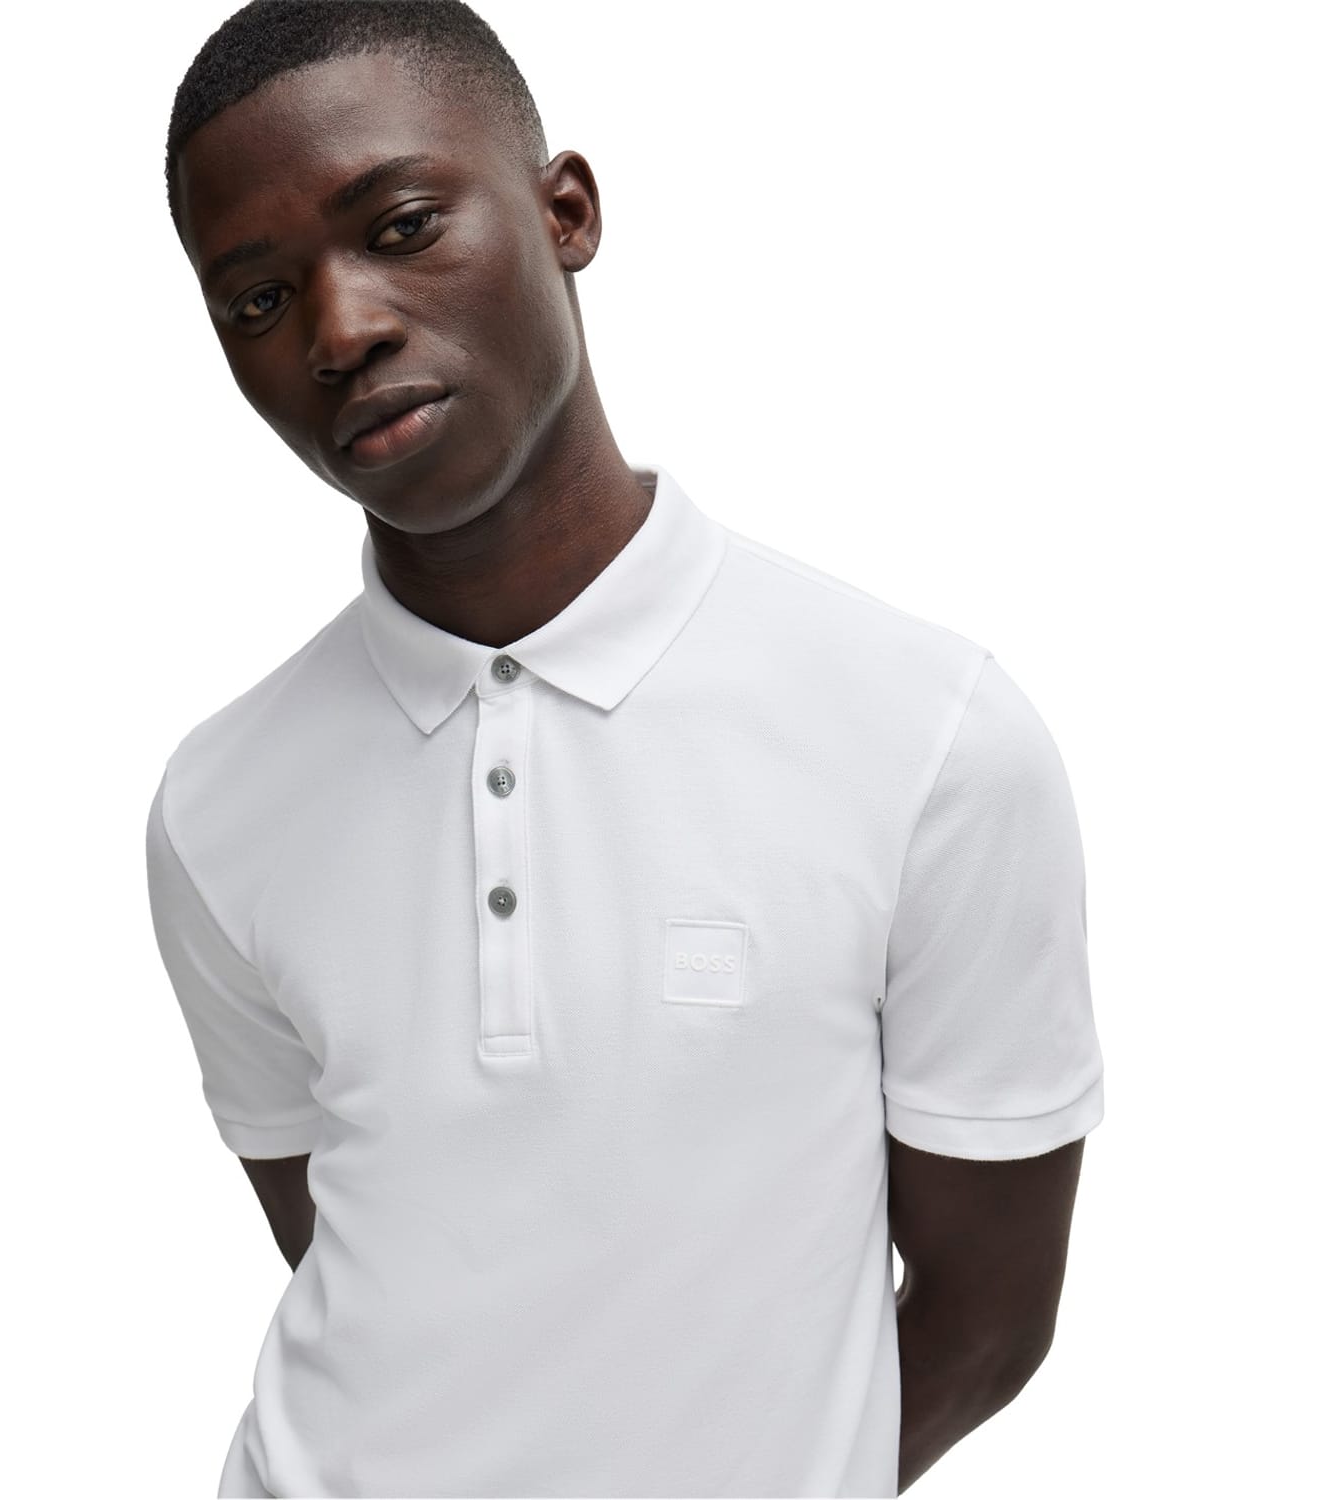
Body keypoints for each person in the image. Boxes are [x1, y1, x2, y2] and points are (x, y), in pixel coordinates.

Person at [144, 3, 1106, 1496]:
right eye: (258, 298)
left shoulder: (930, 739)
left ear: (566, 213)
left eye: (401, 226)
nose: (340, 330)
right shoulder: (217, 806)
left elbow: (987, 1323)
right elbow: (365, 1254)